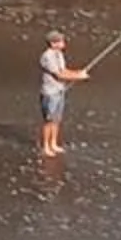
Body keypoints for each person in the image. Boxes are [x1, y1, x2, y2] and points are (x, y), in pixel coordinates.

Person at [37, 28, 88, 158]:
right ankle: (46, 146)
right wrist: (78, 77)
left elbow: (64, 70)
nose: (63, 43)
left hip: (60, 91)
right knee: (49, 120)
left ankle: (53, 144)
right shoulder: (47, 56)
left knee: (57, 119)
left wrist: (77, 73)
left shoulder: (59, 54)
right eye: (60, 41)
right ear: (53, 43)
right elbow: (59, 75)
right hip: (50, 93)